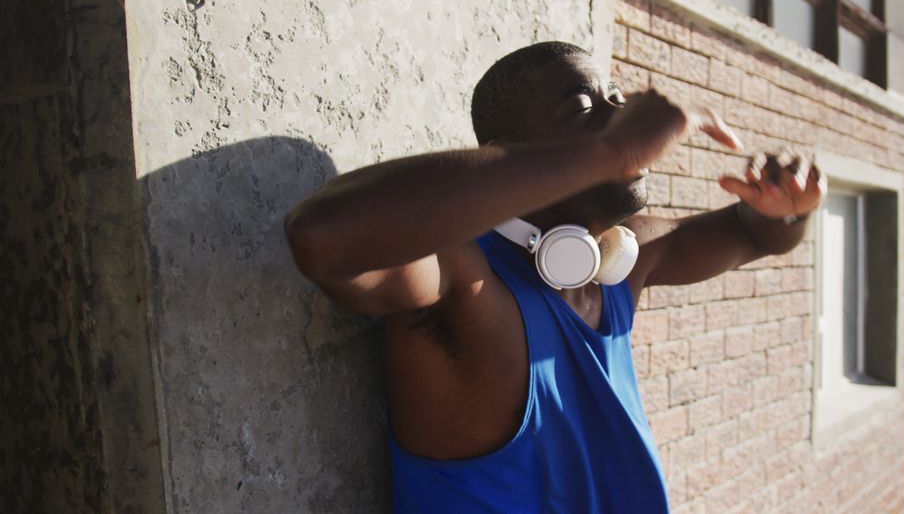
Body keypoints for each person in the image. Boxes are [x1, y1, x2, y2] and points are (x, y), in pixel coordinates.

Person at [284, 41, 825, 513]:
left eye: (617, 95)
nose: (618, 109)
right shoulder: (465, 280)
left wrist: (786, 208)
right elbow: (321, 237)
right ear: (504, 157)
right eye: (582, 107)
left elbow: (753, 234)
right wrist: (611, 149)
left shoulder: (617, 264)